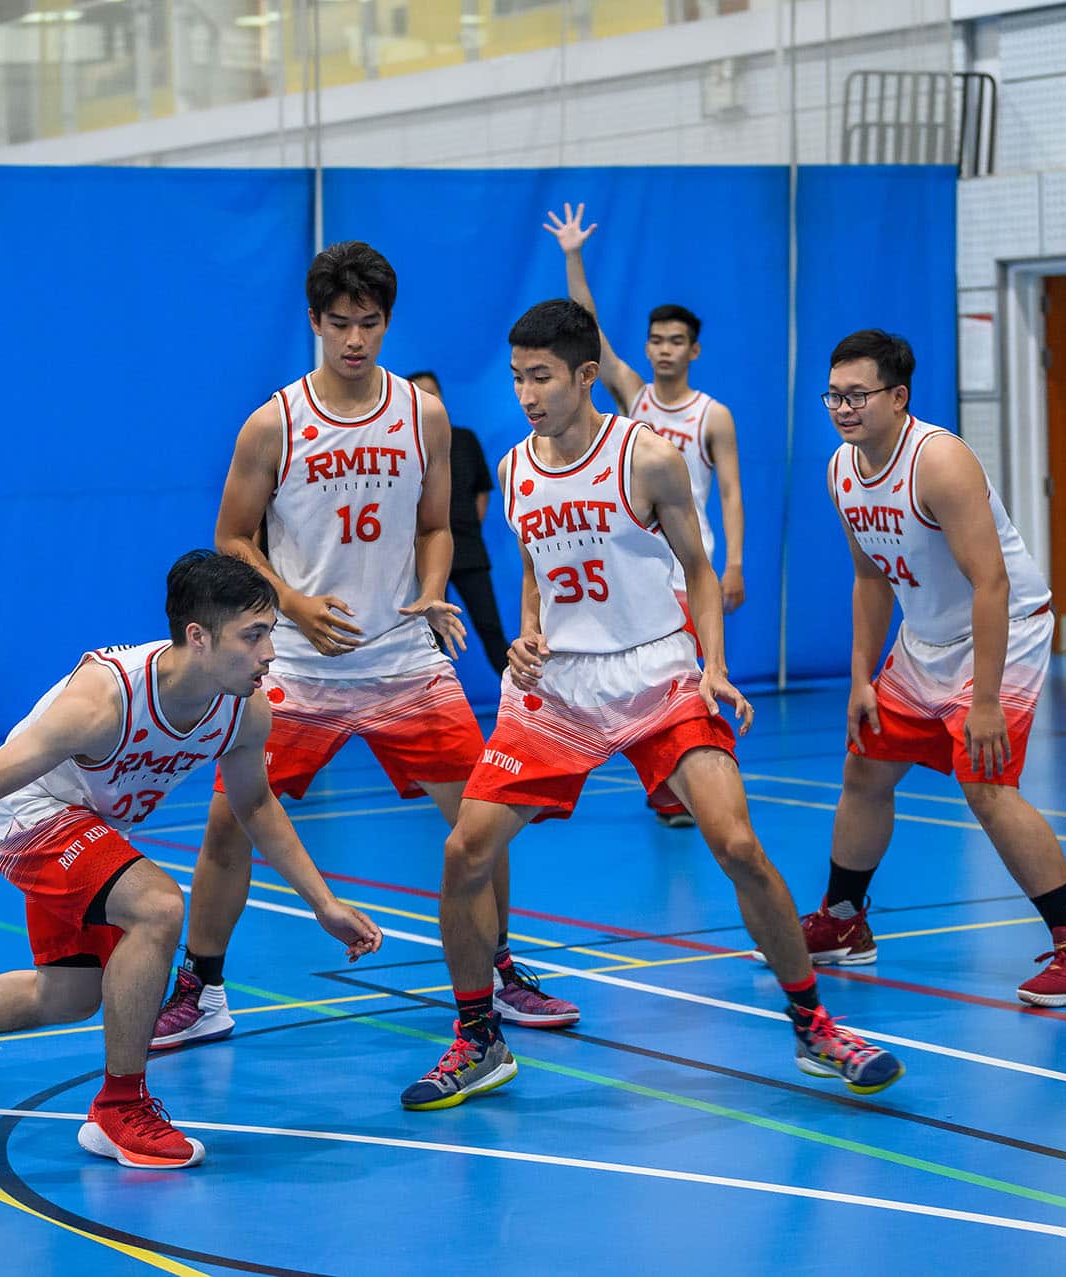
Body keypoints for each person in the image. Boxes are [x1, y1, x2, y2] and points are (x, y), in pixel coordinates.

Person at [398, 299, 904, 1111]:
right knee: (465, 852)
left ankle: (814, 1024)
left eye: (542, 377)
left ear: (585, 375)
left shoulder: (650, 457)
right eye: (517, 378)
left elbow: (699, 570)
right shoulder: (519, 465)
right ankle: (478, 1037)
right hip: (559, 688)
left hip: (661, 674)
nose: (526, 394)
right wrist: (527, 630)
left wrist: (715, 665)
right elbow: (535, 564)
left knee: (737, 843)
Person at [0, 552, 383, 1169]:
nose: (270, 652)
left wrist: (323, 904)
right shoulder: (104, 699)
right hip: (28, 817)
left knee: (69, 996)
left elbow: (256, 805)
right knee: (158, 907)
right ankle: (119, 1110)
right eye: (254, 635)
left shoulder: (245, 706)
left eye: (271, 633)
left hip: (89, 826)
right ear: (197, 637)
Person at [155, 243, 579, 1053]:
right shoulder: (273, 422)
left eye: (371, 323)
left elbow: (435, 527)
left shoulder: (420, 416)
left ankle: (498, 969)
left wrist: (431, 587)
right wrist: (296, 605)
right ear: (315, 322)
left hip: (403, 660)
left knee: (479, 822)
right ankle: (202, 987)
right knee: (224, 826)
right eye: (340, 323)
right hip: (298, 664)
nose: (356, 339)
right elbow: (231, 537)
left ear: (387, 322)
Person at [809, 329, 1066, 1007]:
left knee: (984, 784)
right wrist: (862, 676)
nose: (842, 407)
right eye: (833, 394)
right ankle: (841, 922)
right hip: (924, 642)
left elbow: (993, 585)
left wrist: (983, 703)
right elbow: (869, 580)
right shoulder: (841, 470)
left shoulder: (940, 462)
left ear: (898, 397)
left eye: (856, 394)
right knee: (864, 766)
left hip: (1001, 632)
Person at [546, 202, 748, 829]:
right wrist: (574, 256)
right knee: (633, 670)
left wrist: (733, 563)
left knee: (690, 676)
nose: (664, 349)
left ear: (694, 350)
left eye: (676, 341)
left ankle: (695, 777)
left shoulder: (711, 416)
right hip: (632, 566)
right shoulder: (632, 398)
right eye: (656, 340)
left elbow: (734, 493)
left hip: (690, 563)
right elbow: (589, 332)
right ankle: (662, 778)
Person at [408, 369, 510, 677]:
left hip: (467, 547)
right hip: (421, 555)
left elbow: (482, 489)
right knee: (429, 633)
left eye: (432, 394)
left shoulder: (464, 440)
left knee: (489, 625)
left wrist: (466, 526)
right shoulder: (402, 448)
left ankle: (521, 699)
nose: (427, 402)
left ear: (441, 399)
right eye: (418, 396)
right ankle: (435, 703)